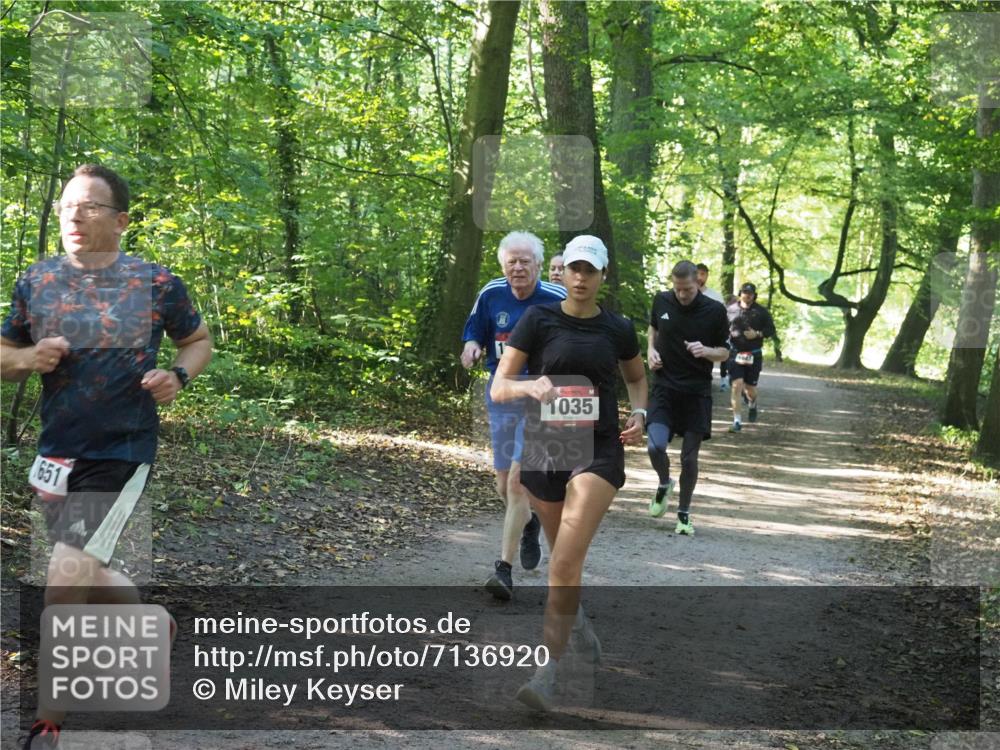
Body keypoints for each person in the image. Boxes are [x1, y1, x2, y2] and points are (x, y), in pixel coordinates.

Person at [1, 164, 212, 749]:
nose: (73, 214)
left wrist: (177, 375)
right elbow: (3, 353)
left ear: (120, 220)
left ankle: (48, 723)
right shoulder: (37, 282)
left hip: (122, 452)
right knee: (84, 572)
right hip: (55, 454)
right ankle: (154, 626)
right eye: (69, 205)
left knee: (63, 579)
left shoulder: (156, 283)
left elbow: (197, 342)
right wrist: (28, 358)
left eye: (90, 206)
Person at [490, 235, 647, 711]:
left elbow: (637, 379)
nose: (580, 277)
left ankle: (549, 672)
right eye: (574, 268)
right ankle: (579, 626)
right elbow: (499, 388)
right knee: (563, 559)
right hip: (546, 446)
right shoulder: (538, 320)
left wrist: (640, 416)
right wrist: (530, 386)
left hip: (597, 449)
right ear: (564, 273)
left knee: (562, 562)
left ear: (602, 277)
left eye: (590, 270)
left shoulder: (618, 328)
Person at [461, 232, 566, 600]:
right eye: (512, 262)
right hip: (502, 393)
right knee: (503, 484)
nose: (518, 268)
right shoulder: (491, 294)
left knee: (519, 482)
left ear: (539, 265)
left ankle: (502, 570)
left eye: (525, 262)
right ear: (503, 265)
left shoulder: (557, 299)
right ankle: (529, 522)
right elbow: (473, 333)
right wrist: (471, 347)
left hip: (542, 398)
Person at [646, 261, 730, 536]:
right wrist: (650, 351)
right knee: (655, 447)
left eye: (688, 290)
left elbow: (724, 353)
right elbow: (653, 329)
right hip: (665, 386)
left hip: (697, 391)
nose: (682, 295)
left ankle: (683, 515)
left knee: (689, 458)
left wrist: (706, 350)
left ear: (699, 284)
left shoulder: (714, 311)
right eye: (678, 289)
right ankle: (664, 483)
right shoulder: (661, 300)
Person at [726, 282, 776, 432]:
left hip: (754, 354)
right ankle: (737, 421)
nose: (747, 295)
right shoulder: (731, 310)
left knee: (750, 389)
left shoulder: (761, 312)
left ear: (754, 295)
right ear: (740, 293)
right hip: (735, 353)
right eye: (745, 292)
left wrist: (757, 334)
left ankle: (752, 403)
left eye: (750, 293)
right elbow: (721, 327)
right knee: (736, 385)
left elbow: (770, 330)